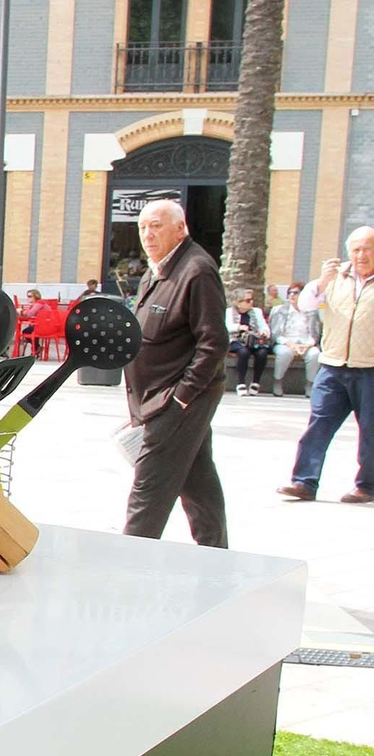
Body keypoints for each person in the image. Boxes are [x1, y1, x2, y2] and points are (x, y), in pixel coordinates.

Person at [123, 199, 229, 548]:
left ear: (180, 228)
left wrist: (182, 396)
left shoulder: (197, 270)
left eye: (156, 225)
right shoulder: (157, 269)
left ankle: (127, 563)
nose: (148, 234)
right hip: (154, 397)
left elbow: (213, 342)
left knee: (149, 486)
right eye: (142, 227)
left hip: (175, 399)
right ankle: (217, 556)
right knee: (198, 481)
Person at [278, 226, 374, 504]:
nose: (361, 255)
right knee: (318, 424)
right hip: (333, 365)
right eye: (356, 249)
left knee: (370, 429)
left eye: (367, 248)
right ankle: (304, 482)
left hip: (369, 367)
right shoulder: (336, 276)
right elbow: (307, 303)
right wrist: (321, 281)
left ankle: (367, 485)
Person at [268, 282, 320, 397]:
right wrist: (291, 344)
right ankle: (278, 382)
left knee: (315, 354)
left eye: (296, 293)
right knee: (284, 353)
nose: (292, 295)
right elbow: (275, 333)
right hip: (285, 342)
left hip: (306, 343)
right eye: (289, 293)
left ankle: (310, 385)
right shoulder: (279, 310)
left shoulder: (312, 311)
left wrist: (308, 345)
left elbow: (316, 334)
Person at [225, 290, 271, 396]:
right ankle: (241, 383)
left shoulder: (256, 311)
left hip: (253, 340)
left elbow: (263, 325)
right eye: (248, 300)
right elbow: (227, 326)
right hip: (236, 339)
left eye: (251, 300)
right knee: (243, 352)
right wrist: (239, 327)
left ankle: (256, 382)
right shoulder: (229, 312)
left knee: (262, 353)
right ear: (238, 302)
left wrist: (264, 331)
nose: (251, 302)